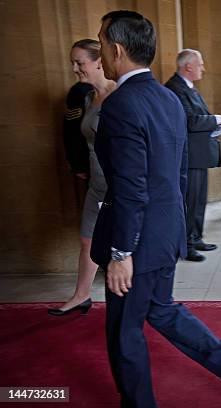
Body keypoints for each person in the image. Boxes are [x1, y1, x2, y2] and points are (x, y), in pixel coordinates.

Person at [91, 11, 221, 407]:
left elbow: (132, 187)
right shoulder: (167, 98)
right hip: (166, 231)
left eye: (100, 43)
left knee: (124, 330)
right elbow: (175, 174)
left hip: (139, 240)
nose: (99, 52)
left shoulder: (121, 104)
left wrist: (121, 252)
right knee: (161, 310)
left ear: (116, 50)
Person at [49, 39, 115, 316]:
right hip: (96, 184)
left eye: (80, 62)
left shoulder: (121, 95)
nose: (75, 69)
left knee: (122, 246)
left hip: (118, 185)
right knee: (87, 240)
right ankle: (81, 295)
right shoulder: (88, 97)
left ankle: (136, 302)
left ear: (100, 62)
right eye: (72, 63)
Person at [165, 49, 221, 262]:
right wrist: (215, 119)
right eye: (200, 64)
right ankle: (186, 244)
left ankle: (195, 237)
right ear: (188, 66)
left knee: (199, 199)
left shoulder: (189, 88)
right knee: (189, 201)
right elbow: (189, 120)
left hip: (199, 154)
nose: (203, 68)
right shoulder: (175, 88)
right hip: (188, 155)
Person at [63, 81, 93, 179]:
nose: (76, 69)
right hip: (91, 161)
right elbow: (72, 132)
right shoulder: (80, 90)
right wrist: (78, 165)